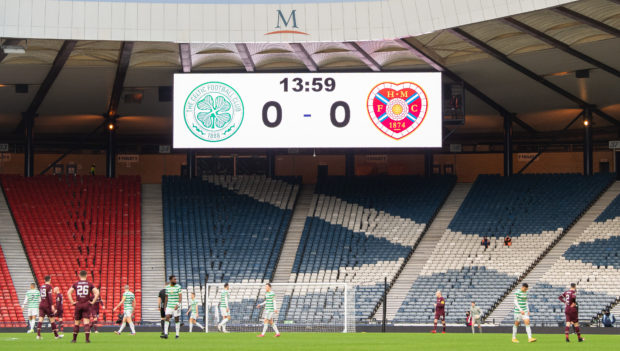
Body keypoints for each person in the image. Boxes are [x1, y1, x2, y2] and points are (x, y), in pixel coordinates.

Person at [67, 270, 99, 343]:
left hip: (78, 303)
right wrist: (93, 301)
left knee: (76, 322)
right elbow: (97, 293)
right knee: (86, 322)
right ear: (86, 275)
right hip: (86, 304)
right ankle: (87, 339)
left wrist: (72, 302)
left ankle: (74, 339)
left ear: (79, 275)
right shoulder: (89, 284)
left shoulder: (76, 284)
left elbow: (68, 292)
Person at [36, 275, 59, 339]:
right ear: (50, 280)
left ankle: (38, 335)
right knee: (52, 320)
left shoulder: (41, 287)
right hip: (47, 305)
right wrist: (52, 305)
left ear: (44, 280)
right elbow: (49, 296)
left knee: (40, 320)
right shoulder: (49, 286)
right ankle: (56, 335)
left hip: (41, 304)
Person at [161, 275, 182, 339]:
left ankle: (177, 335)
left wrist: (177, 304)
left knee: (176, 319)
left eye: (175, 279)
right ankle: (166, 334)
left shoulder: (178, 287)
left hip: (176, 306)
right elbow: (166, 297)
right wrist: (165, 306)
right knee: (167, 317)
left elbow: (180, 297)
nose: (175, 280)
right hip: (169, 306)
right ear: (170, 280)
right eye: (174, 279)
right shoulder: (167, 287)